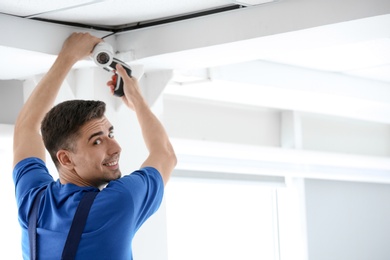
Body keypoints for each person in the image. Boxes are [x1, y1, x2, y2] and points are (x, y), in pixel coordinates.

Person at [12, 32, 177, 259]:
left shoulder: (33, 201)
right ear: (66, 159)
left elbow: (25, 128)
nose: (116, 147)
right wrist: (137, 99)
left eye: (110, 133)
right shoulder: (117, 202)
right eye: (97, 141)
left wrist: (68, 56)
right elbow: (165, 154)